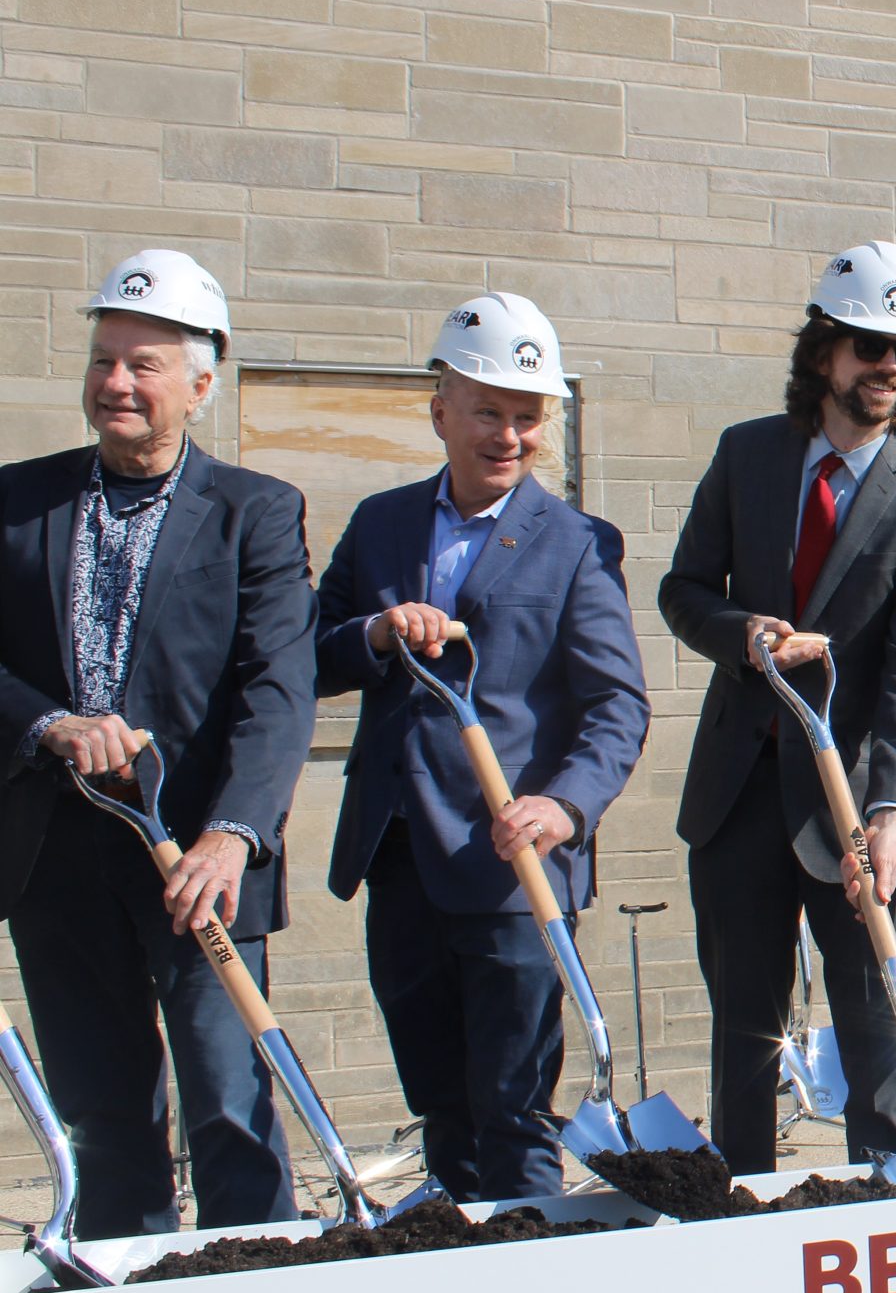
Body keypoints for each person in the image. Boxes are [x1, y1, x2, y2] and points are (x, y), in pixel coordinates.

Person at [0, 249, 311, 1235]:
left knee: (230, 1104)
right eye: (104, 361)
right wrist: (47, 724)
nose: (117, 384)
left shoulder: (254, 513)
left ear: (201, 385)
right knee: (102, 1112)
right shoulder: (16, 503)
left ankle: (251, 1288)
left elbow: (278, 688)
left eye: (143, 365)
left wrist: (234, 831)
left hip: (198, 864)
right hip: (57, 863)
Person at [314, 294, 651, 1200]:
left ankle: (531, 1280)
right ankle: (462, 1268)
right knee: (441, 1105)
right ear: (440, 409)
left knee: (513, 1108)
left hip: (512, 865)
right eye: (489, 410)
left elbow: (617, 705)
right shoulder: (381, 523)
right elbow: (307, 655)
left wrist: (564, 803)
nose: (510, 434)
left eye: (528, 416)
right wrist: (378, 633)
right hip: (400, 855)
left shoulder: (577, 545)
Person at [661, 242, 896, 1172]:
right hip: (739, 790)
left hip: (857, 804)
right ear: (824, 350)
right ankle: (745, 1205)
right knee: (745, 1035)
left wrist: (891, 813)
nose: (890, 368)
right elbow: (683, 590)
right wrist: (741, 634)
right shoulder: (746, 455)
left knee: (875, 1029)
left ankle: (884, 1206)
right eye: (871, 345)